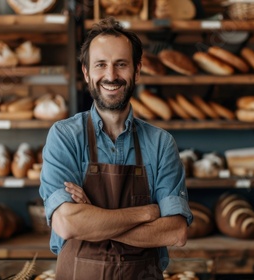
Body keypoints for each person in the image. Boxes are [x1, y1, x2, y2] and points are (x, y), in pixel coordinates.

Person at [39, 16, 193, 279]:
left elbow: (175, 232)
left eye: (121, 65)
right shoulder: (64, 136)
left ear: (137, 70)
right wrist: (147, 212)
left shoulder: (160, 143)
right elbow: (66, 223)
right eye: (101, 65)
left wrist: (93, 219)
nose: (111, 76)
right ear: (87, 73)